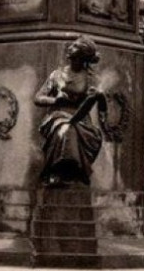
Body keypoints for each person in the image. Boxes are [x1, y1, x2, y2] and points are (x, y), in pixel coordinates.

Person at [34, 35, 107, 185]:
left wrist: (99, 97)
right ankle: (59, 171)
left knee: (70, 127)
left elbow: (100, 105)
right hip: (58, 114)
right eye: (72, 56)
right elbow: (38, 98)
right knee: (66, 128)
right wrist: (55, 100)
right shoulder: (57, 75)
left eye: (77, 56)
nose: (73, 58)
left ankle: (69, 172)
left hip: (80, 117)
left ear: (83, 58)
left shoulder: (91, 77)